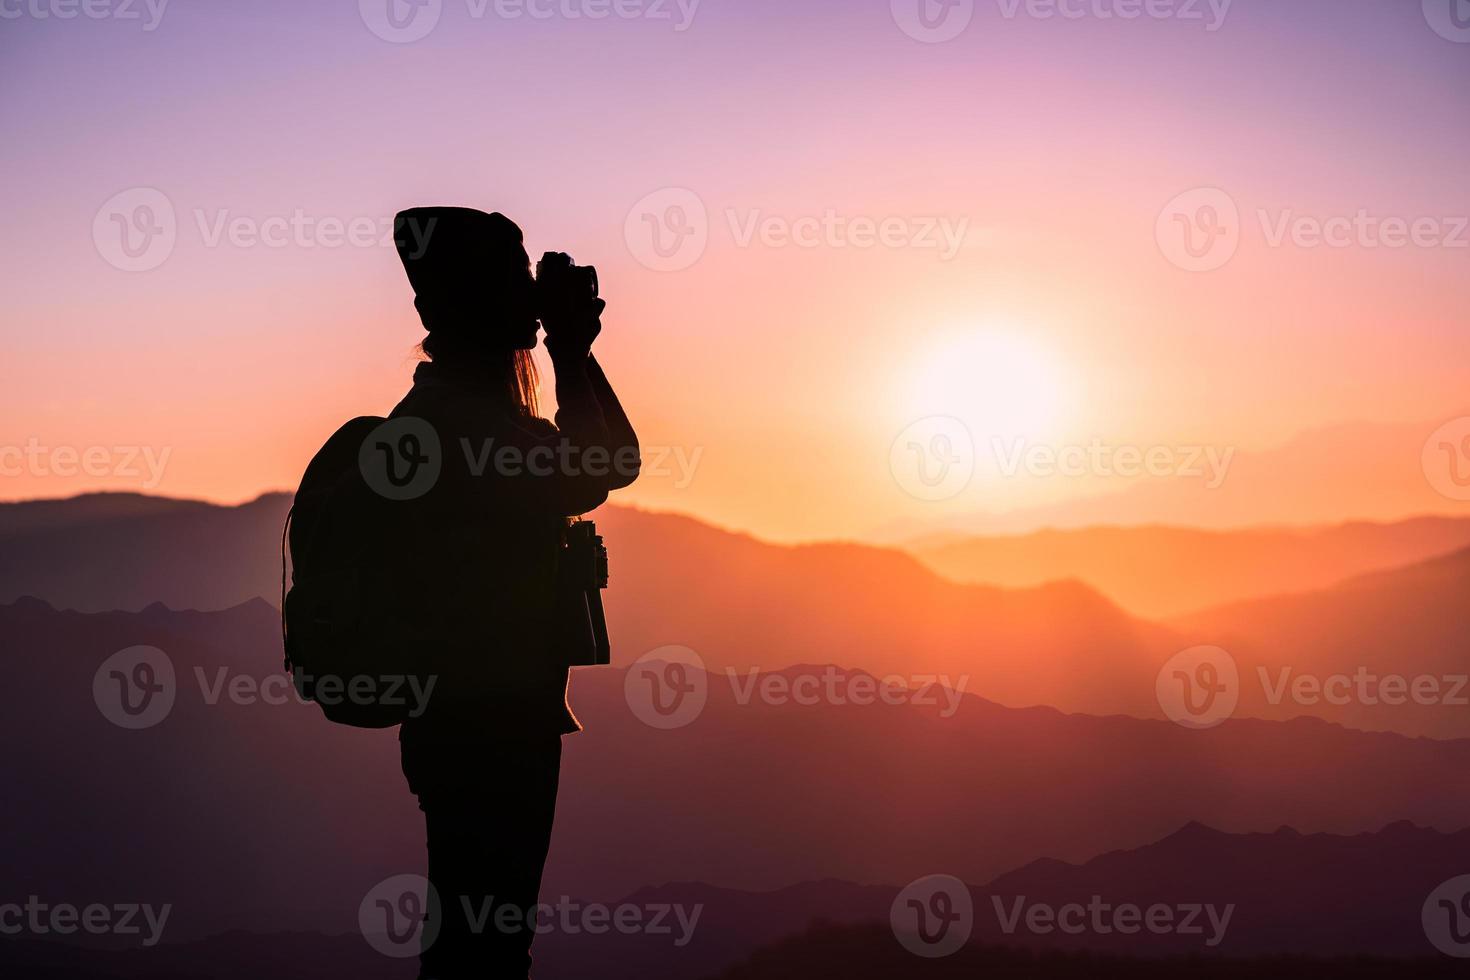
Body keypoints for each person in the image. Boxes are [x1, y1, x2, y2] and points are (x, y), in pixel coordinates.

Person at [388, 206, 640, 979]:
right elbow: (610, 464)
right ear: (469, 299)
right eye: (515, 277)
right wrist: (572, 348)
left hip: (466, 720)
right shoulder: (471, 429)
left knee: (476, 942)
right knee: (486, 951)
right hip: (491, 724)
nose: (531, 293)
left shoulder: (445, 417)